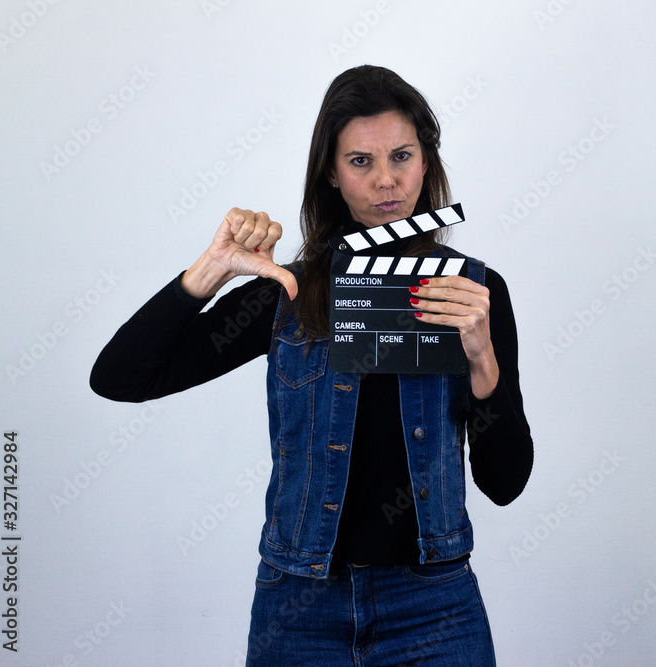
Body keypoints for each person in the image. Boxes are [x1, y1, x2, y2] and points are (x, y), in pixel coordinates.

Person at [90, 65, 533, 665]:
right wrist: (210, 272)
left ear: (427, 161)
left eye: (402, 156)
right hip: (299, 602)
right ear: (330, 171)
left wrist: (482, 360)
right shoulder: (291, 294)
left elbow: (504, 484)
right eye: (360, 162)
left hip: (433, 605)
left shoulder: (473, 294)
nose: (386, 181)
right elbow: (120, 378)